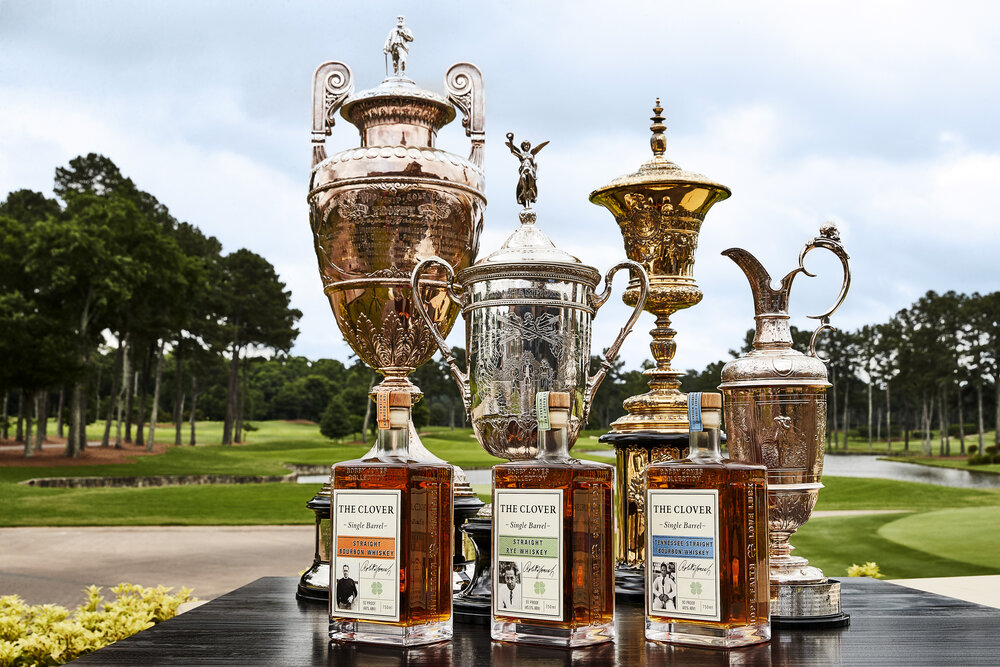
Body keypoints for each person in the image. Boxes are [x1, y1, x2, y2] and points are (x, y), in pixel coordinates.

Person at [505, 133, 549, 208]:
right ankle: (524, 195)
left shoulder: (532, 154)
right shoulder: (521, 155)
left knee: (531, 183)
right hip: (523, 169)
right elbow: (512, 151)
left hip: (530, 170)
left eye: (528, 145)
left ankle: (532, 193)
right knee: (523, 181)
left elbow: (538, 149)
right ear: (522, 147)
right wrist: (511, 141)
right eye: (525, 145)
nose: (526, 146)